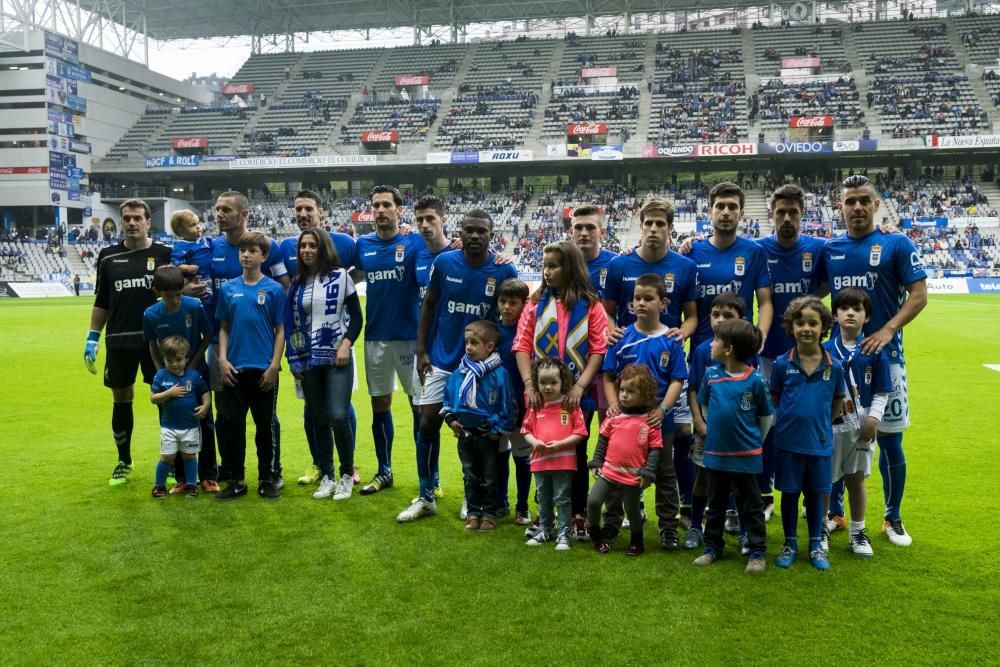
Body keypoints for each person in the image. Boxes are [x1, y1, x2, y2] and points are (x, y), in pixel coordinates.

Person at [821, 174, 927, 547]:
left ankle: (892, 518)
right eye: (850, 201)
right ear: (841, 207)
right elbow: (811, 288)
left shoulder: (896, 244)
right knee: (836, 438)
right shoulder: (829, 249)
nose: (857, 207)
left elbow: (918, 295)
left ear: (876, 204)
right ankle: (834, 513)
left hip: (886, 360)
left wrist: (887, 331)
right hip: (838, 364)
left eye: (864, 200)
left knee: (890, 439)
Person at [404, 210, 517, 522]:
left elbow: (514, 312)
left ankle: (482, 499)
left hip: (480, 366)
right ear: (461, 232)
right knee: (426, 422)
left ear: (491, 236)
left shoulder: (504, 269)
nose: (475, 236)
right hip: (441, 358)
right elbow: (429, 304)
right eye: (470, 230)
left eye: (482, 231)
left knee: (484, 434)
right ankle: (426, 495)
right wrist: (421, 349)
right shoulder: (445, 263)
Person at [603, 197, 698, 526]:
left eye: (661, 224)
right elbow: (607, 310)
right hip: (627, 364)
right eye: (649, 223)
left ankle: (677, 513)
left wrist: (679, 334)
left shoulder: (685, 266)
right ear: (640, 226)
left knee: (672, 440)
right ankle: (632, 506)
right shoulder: (620, 265)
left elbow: (692, 318)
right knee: (624, 441)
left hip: (665, 363)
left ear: (671, 228)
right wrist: (615, 333)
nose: (654, 229)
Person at [189, 191, 289, 487]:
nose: (218, 214)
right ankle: (231, 470)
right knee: (227, 414)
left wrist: (277, 356)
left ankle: (272, 471)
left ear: (243, 214)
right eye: (216, 209)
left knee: (266, 418)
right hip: (221, 346)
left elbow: (284, 288)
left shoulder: (268, 248)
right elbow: (192, 282)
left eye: (226, 210)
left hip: (259, 349)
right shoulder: (209, 248)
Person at [514, 240, 608, 540]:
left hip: (579, 394)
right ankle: (546, 516)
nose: (547, 271)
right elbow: (522, 345)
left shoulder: (591, 305)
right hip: (543, 394)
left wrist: (580, 386)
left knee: (576, 451)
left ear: (570, 267)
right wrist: (530, 385)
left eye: (553, 266)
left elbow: (598, 349)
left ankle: (577, 515)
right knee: (542, 449)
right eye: (545, 265)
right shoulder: (535, 303)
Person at [84, 198, 172, 486]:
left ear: (149, 221)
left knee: (166, 400)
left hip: (158, 342)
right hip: (120, 341)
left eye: (138, 217)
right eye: (127, 218)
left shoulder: (164, 253)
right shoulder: (108, 256)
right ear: (121, 222)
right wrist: (92, 338)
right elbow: (102, 300)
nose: (132, 223)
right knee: (121, 399)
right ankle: (124, 461)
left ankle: (170, 463)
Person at [276, 190, 360, 487]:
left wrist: (346, 344)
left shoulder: (343, 262)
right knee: (315, 414)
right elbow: (291, 320)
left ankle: (349, 471)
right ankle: (325, 471)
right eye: (303, 246)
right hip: (306, 358)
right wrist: (293, 359)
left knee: (340, 413)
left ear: (320, 211)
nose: (307, 250)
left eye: (308, 209)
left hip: (338, 353)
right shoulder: (294, 279)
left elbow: (357, 313)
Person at [754, 184, 827, 518]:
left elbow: (830, 281)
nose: (786, 218)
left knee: (816, 425)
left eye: (793, 213)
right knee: (766, 427)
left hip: (808, 358)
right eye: (780, 212)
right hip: (768, 356)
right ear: (771, 214)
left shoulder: (820, 249)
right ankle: (766, 493)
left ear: (802, 215)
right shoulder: (757, 250)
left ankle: (829, 505)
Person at [600, 273, 687, 551]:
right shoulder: (621, 337)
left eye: (648, 299)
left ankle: (668, 528)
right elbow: (607, 375)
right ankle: (611, 524)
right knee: (615, 470)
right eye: (637, 298)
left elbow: (677, 379)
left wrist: (663, 410)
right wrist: (613, 403)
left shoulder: (672, 340)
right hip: (623, 423)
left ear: (663, 303)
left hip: (657, 420)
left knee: (664, 473)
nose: (641, 303)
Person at [353, 185, 425, 496]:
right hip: (375, 339)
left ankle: (428, 478)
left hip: (410, 339)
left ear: (398, 209)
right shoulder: (362, 245)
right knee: (379, 404)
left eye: (386, 205)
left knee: (420, 409)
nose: (380, 210)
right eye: (376, 206)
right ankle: (384, 471)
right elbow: (349, 276)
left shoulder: (414, 243)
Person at [770, 296, 846, 571]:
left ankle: (816, 544)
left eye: (813, 323)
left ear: (823, 327)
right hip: (788, 441)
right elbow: (776, 397)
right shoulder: (782, 364)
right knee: (789, 494)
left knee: (816, 494)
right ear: (791, 327)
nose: (806, 328)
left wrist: (823, 422)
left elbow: (838, 400)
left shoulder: (834, 366)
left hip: (820, 441)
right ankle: (790, 542)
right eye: (800, 323)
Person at [692, 319, 773, 574]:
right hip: (715, 454)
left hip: (747, 457)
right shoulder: (711, 375)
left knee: (751, 505)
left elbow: (766, 418)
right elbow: (705, 406)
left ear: (728, 349)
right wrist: (712, 430)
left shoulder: (756, 381)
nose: (711, 344)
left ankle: (758, 552)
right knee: (715, 504)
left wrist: (753, 443)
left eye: (715, 340)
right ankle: (712, 548)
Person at [214, 232, 287, 501]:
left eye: (252, 250)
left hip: (264, 371)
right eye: (242, 250)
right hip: (234, 369)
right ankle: (236, 480)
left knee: (264, 428)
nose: (245, 254)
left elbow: (280, 330)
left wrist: (274, 366)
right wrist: (222, 359)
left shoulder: (274, 290)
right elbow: (223, 327)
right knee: (233, 426)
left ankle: (266, 479)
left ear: (263, 256)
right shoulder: (228, 289)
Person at [823, 287, 893, 557]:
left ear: (867, 317)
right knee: (825, 481)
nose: (850, 313)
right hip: (831, 425)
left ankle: (857, 532)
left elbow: (882, 390)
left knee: (856, 480)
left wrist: (873, 419)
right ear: (835, 315)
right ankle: (820, 530)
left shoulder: (874, 350)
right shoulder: (825, 349)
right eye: (843, 308)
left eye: (857, 309)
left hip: (862, 426)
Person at [683, 293, 756, 550]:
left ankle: (745, 529)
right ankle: (695, 526)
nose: (720, 320)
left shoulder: (748, 348)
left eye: (728, 316)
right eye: (715, 315)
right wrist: (699, 422)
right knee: (702, 474)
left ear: (742, 320)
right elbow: (693, 389)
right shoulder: (704, 350)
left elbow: (753, 389)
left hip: (739, 432)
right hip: (707, 430)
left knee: (740, 480)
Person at [142, 265, 217, 492]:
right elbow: (152, 344)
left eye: (178, 293)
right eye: (168, 295)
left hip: (196, 373)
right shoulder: (151, 314)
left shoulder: (193, 306)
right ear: (157, 292)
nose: (174, 299)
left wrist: (192, 365)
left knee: (203, 422)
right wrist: (159, 371)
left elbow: (208, 335)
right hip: (168, 377)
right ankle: (182, 479)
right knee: (172, 423)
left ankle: (208, 476)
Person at [441, 320, 515, 532]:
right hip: (464, 435)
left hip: (488, 436)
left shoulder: (499, 374)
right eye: (466, 343)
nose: (468, 347)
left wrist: (497, 431)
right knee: (470, 475)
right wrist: (451, 420)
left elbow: (508, 405)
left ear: (490, 347)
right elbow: (447, 399)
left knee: (490, 477)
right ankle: (473, 513)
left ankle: (490, 514)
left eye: (474, 343)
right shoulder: (460, 373)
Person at [587, 364, 664, 556]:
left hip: (633, 476)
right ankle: (596, 534)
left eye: (631, 391)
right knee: (594, 501)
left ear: (645, 395)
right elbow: (602, 441)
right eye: (622, 389)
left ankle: (637, 541)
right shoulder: (614, 417)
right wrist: (597, 462)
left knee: (632, 509)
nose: (624, 395)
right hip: (609, 472)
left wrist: (648, 472)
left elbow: (655, 450)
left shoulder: (650, 421)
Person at [687, 182, 773, 349]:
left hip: (742, 350)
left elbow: (765, 302)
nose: (726, 212)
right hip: (701, 352)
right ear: (710, 211)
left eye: (732, 207)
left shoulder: (755, 252)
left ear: (741, 214)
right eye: (720, 206)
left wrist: (760, 336)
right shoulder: (691, 252)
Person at [521, 358, 589, 550]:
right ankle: (544, 530)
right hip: (540, 463)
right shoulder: (536, 405)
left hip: (563, 463)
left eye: (553, 382)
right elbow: (526, 430)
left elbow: (581, 432)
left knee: (562, 498)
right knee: (543, 498)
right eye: (543, 383)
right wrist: (535, 442)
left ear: (563, 382)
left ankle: (564, 534)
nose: (548, 387)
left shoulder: (570, 405)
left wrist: (560, 444)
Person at [149, 336, 211, 499]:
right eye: (169, 360)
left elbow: (205, 392)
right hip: (169, 427)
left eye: (178, 360)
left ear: (186, 358)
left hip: (190, 427)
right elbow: (153, 398)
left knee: (189, 456)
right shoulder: (161, 376)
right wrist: (169, 393)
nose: (174, 364)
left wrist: (205, 406)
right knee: (167, 458)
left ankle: (191, 485)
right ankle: (159, 486)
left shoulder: (193, 376)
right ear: (164, 359)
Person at [496, 278, 533, 524]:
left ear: (524, 305)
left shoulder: (528, 331)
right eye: (503, 301)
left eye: (513, 302)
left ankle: (522, 506)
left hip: (521, 407)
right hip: (496, 409)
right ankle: (500, 502)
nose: (507, 307)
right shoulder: (490, 331)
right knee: (499, 456)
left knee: (522, 458)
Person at [169, 210, 214, 315]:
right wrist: (186, 268)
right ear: (181, 231)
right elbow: (174, 263)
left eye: (198, 223)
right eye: (193, 225)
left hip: (209, 277)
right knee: (203, 301)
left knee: (212, 300)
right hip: (196, 279)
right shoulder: (181, 246)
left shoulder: (205, 240)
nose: (198, 226)